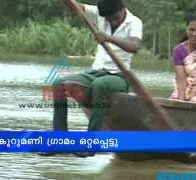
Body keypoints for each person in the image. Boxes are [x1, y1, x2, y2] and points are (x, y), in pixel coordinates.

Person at [41, 0, 143, 157]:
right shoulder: (99, 13)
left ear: (122, 9)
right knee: (58, 84)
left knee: (100, 85)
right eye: (107, 19)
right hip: (96, 72)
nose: (110, 21)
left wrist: (108, 38)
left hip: (119, 76)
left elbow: (135, 47)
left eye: (114, 18)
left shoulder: (134, 22)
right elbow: (76, 7)